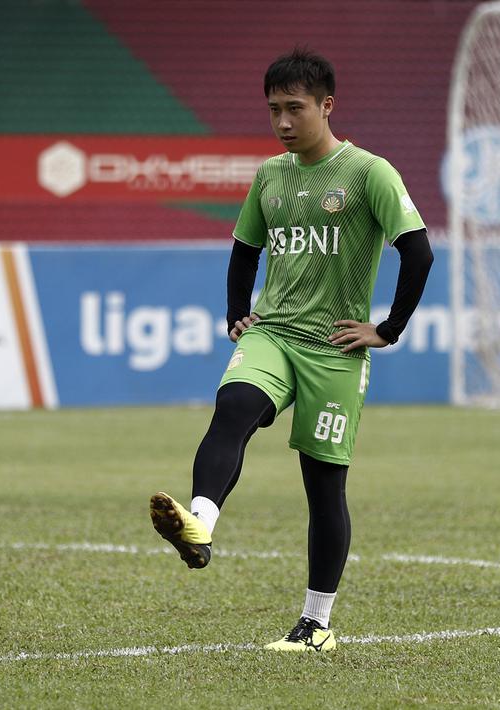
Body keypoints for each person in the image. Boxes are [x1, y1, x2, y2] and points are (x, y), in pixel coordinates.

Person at [149, 47, 433, 650]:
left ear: (326, 106)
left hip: (334, 348)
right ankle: (200, 523)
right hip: (273, 334)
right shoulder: (270, 176)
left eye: (294, 109)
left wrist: (388, 329)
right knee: (232, 410)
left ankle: (316, 624)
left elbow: (418, 251)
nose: (282, 122)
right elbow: (244, 248)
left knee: (323, 487)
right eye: (273, 110)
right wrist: (236, 314)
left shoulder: (369, 173)